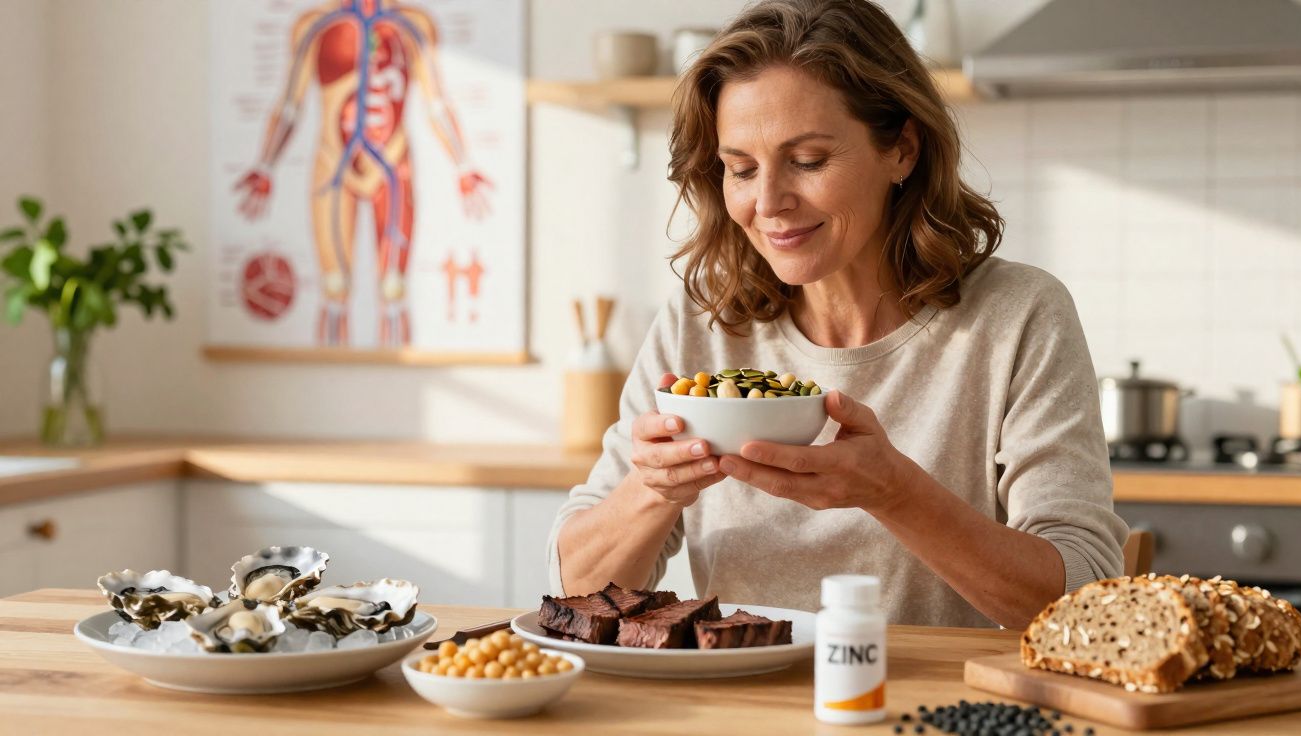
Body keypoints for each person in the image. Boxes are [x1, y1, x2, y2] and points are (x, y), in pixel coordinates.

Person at [548, 0, 1127, 629]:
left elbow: (1086, 604)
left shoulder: (1017, 316)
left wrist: (895, 492)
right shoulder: (702, 326)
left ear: (902, 149)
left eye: (808, 161)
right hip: (744, 709)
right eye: (741, 169)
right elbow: (572, 589)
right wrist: (653, 489)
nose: (768, 202)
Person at [234, 0, 491, 346]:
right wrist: (266, 165)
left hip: (392, 167)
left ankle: (396, 389)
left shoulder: (413, 24)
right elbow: (290, 105)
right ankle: (329, 386)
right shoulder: (315, 26)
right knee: (335, 289)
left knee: (394, 291)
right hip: (334, 165)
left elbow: (437, 104)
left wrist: (463, 165)